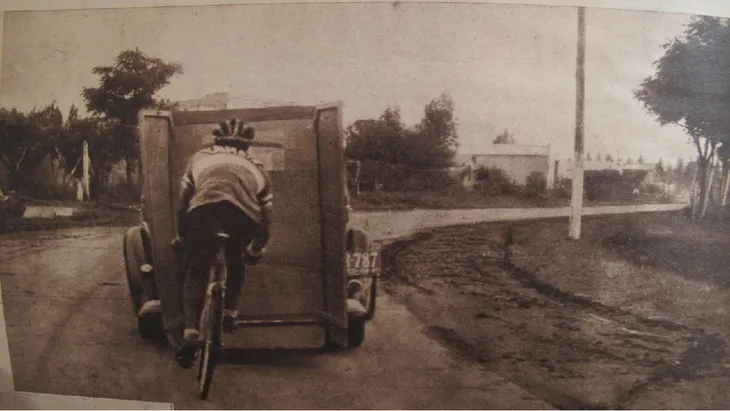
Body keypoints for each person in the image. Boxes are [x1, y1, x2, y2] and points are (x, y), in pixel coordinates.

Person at [173, 117, 273, 369]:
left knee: (197, 269)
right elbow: (266, 218)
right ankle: (229, 314)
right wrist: (258, 247)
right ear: (248, 146)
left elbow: (182, 205)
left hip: (203, 214)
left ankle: (190, 332)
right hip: (243, 217)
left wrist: (181, 235)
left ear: (216, 141)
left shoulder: (199, 158)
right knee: (236, 262)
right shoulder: (259, 167)